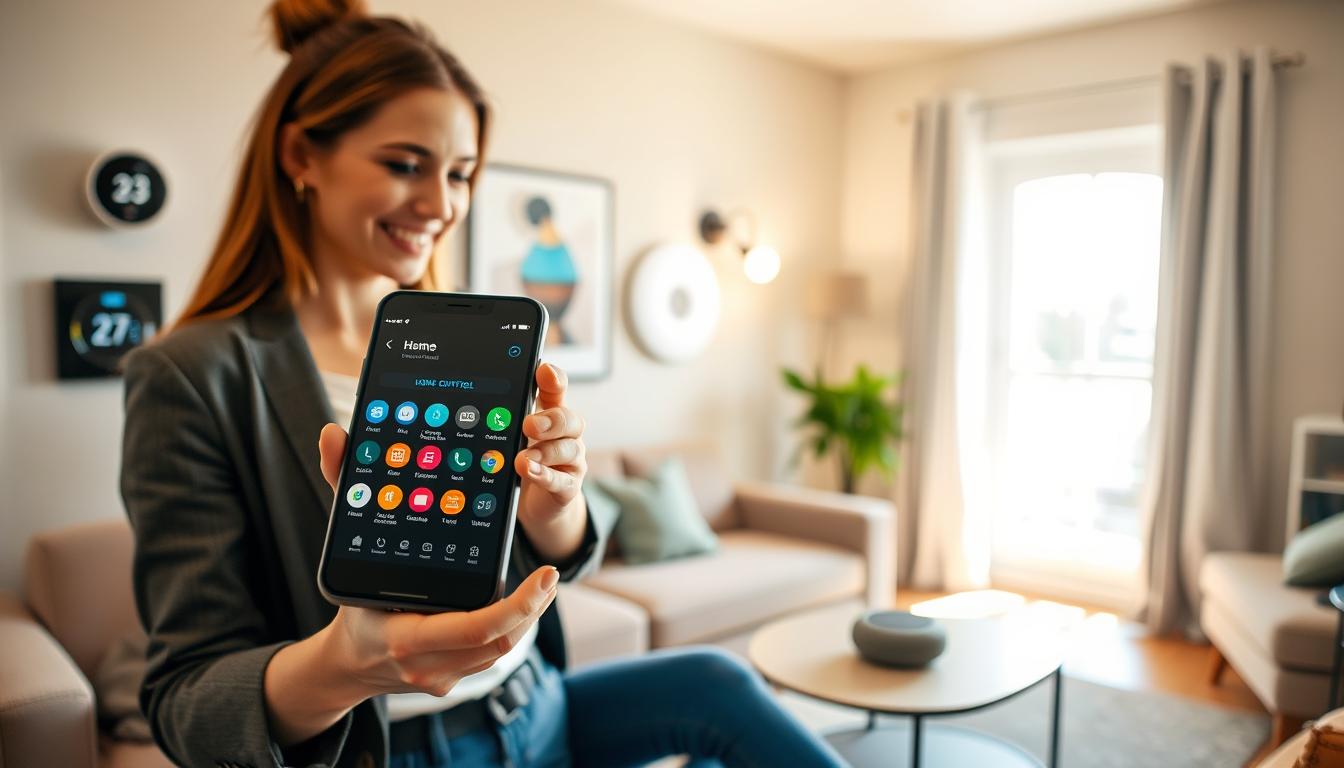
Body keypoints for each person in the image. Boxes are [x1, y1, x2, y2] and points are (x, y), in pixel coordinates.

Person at [119, 2, 849, 767]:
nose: (442, 205)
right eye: (404, 165)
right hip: (396, 748)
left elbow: (550, 557)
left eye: (461, 174)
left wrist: (554, 506)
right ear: (302, 154)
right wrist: (349, 662)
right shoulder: (192, 375)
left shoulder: (465, 345)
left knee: (715, 683)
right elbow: (187, 701)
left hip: (538, 698)